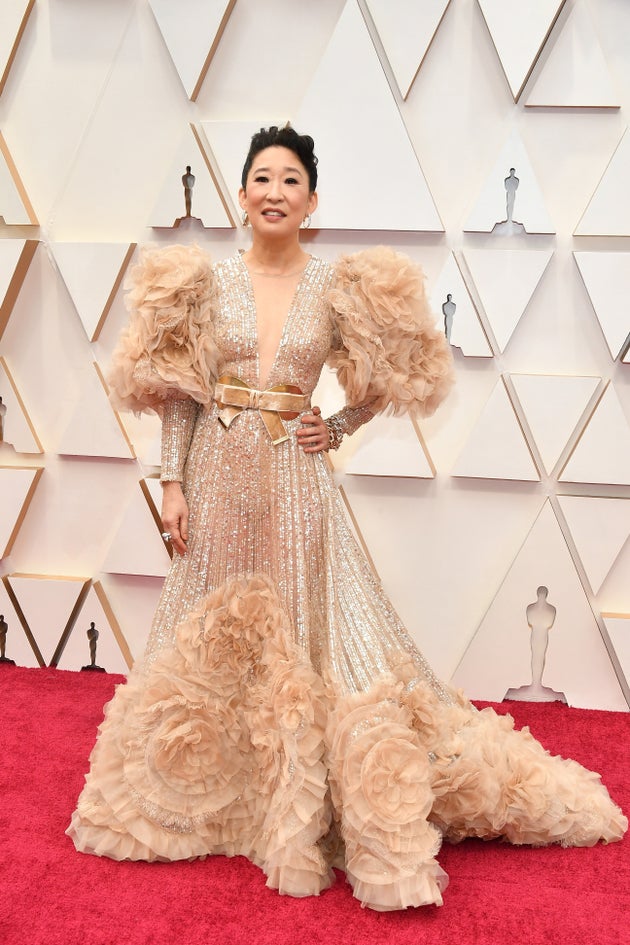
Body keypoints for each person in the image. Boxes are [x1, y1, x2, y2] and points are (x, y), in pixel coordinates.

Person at [67, 126, 626, 912]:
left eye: (290, 180)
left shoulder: (335, 285)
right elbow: (182, 396)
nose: (274, 192)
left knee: (298, 635)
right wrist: (171, 484)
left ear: (312, 200)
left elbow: (398, 374)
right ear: (241, 194)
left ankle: (295, 803)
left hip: (295, 486)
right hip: (217, 481)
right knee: (209, 631)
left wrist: (334, 427)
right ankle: (213, 791)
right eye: (262, 178)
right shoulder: (204, 283)